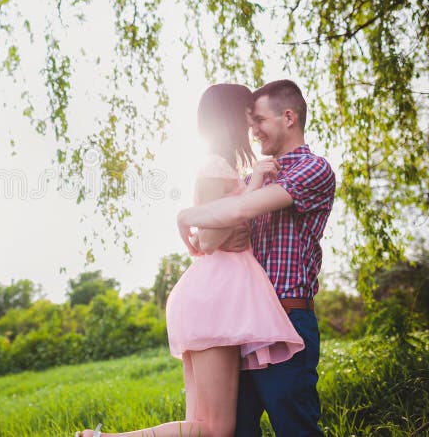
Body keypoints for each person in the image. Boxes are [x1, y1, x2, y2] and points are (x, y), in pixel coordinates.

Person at [75, 82, 307, 437]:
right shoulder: (215, 164)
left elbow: (209, 231)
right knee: (216, 429)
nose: (252, 123)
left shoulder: (224, 164)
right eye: (248, 113)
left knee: (204, 425)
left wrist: (231, 214)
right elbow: (210, 239)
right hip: (214, 296)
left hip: (217, 294)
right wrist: (253, 186)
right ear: (232, 113)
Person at [177, 79, 336, 436]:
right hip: (242, 322)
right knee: (234, 430)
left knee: (295, 426)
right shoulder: (253, 176)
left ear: (289, 117)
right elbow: (214, 240)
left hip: (287, 316)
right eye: (250, 123)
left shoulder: (312, 170)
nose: (253, 130)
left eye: (260, 120)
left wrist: (186, 215)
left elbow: (239, 210)